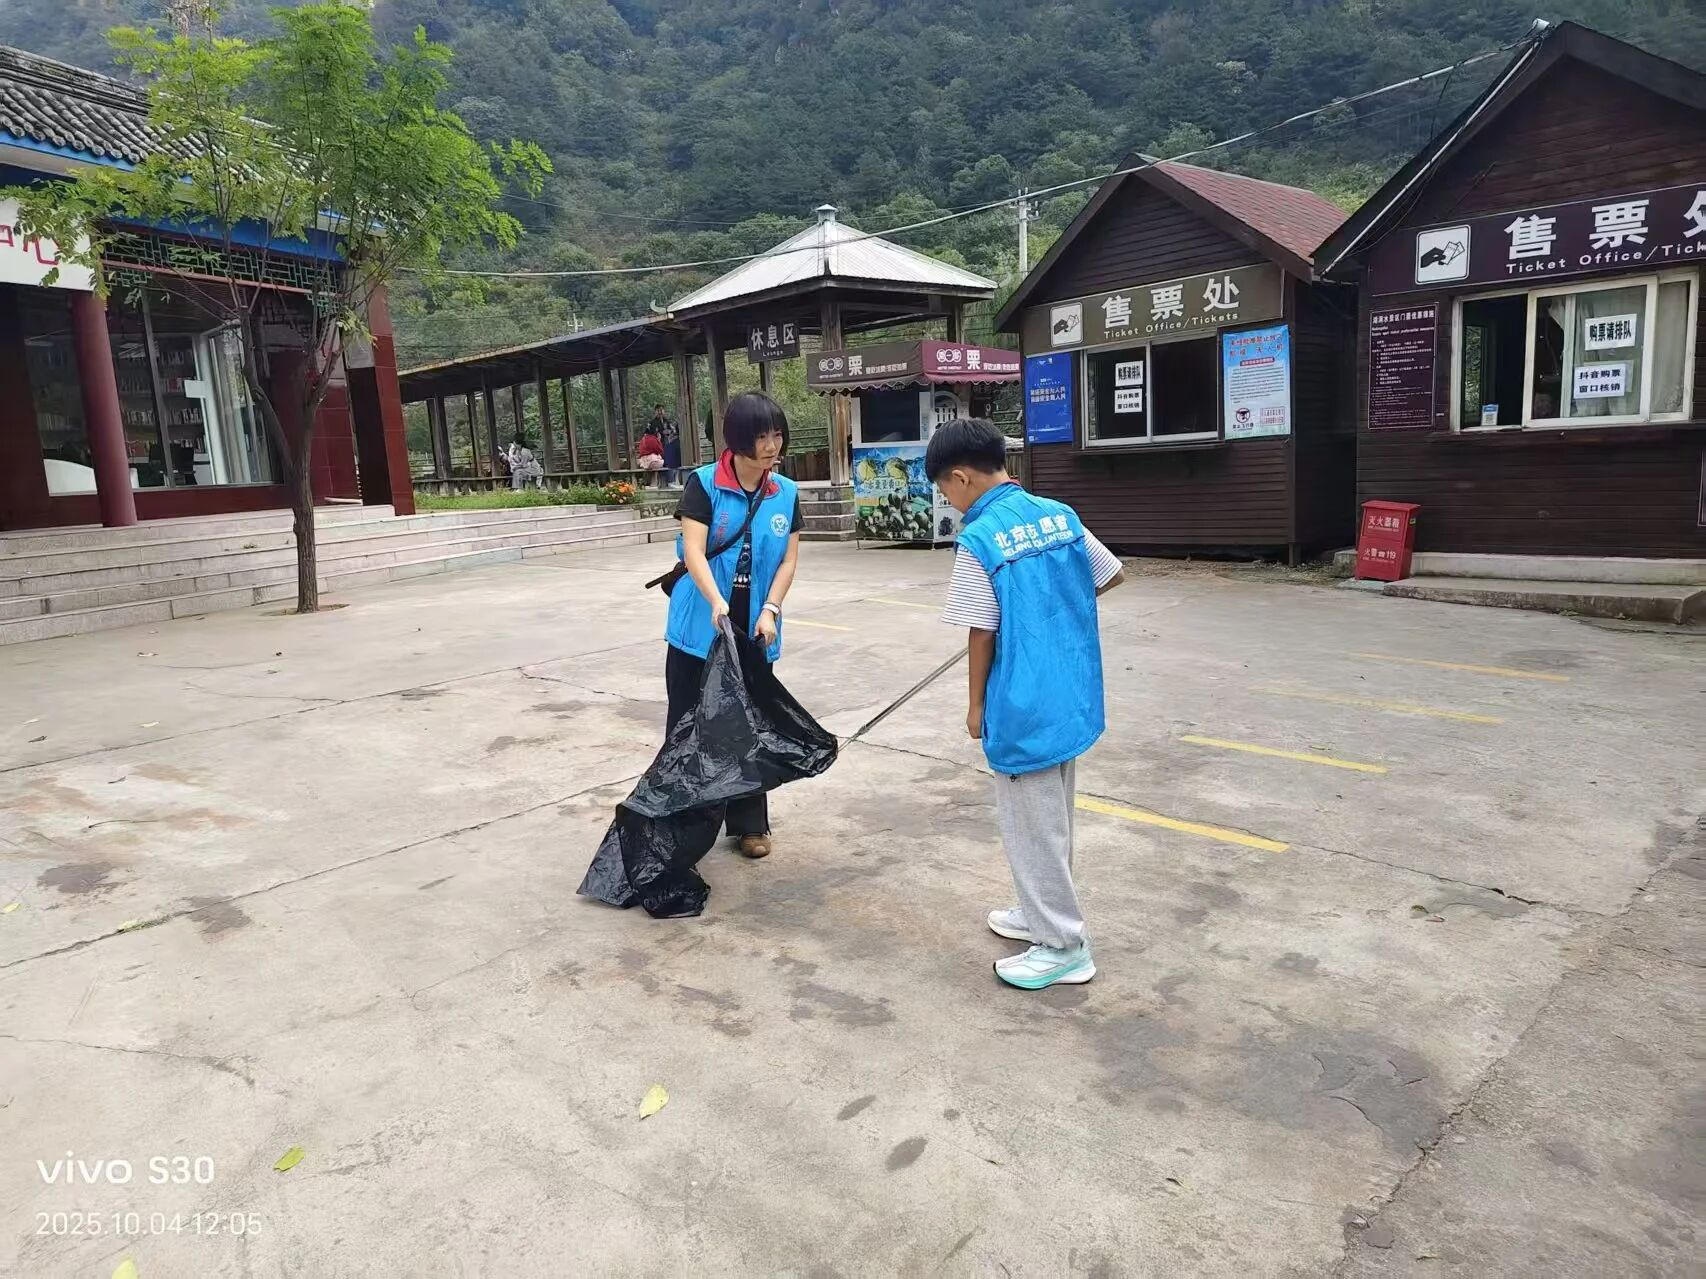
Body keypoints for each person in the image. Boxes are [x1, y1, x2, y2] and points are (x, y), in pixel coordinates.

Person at [928, 418, 1125, 990]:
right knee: (1053, 814)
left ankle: (1063, 944)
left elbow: (982, 631)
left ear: (961, 478)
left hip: (1023, 703)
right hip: (1071, 688)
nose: (949, 502)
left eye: (944, 490)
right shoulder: (1059, 515)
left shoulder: (979, 539)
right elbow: (1111, 574)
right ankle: (1040, 910)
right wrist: (1050, 603)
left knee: (1032, 825)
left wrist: (975, 707)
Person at [666, 391, 804, 859]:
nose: (771, 446)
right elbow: (693, 551)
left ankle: (750, 824)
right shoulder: (704, 484)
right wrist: (716, 601)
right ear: (737, 439)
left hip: (754, 631)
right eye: (761, 436)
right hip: (699, 629)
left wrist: (771, 609)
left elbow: (788, 560)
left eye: (777, 435)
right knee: (688, 728)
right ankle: (680, 829)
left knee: (750, 724)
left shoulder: (785, 492)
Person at [657, 404, 682, 486]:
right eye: (658, 410)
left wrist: (669, 432)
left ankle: (672, 481)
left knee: (671, 463)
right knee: (667, 464)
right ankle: (668, 482)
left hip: (668, 444)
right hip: (659, 446)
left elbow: (672, 430)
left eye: (662, 410)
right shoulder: (653, 423)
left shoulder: (667, 421)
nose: (660, 412)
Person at [636, 419, 666, 487]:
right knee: (663, 463)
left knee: (653, 467)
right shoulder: (653, 439)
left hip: (643, 462)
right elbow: (660, 450)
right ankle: (656, 483)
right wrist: (659, 440)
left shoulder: (643, 439)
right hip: (652, 461)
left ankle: (651, 483)